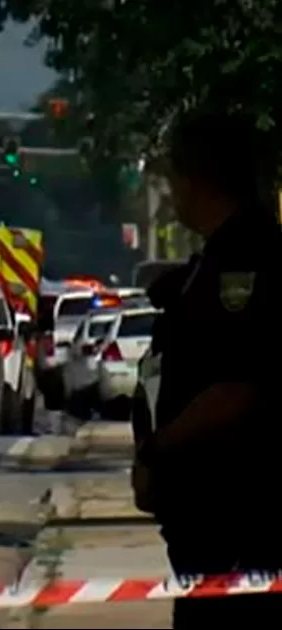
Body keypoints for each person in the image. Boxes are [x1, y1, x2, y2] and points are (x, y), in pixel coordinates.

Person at [133, 110, 282, 626]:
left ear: (200, 178)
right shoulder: (218, 259)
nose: (171, 191)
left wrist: (159, 448)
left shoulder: (246, 262)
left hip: (239, 517)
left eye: (174, 175)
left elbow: (240, 385)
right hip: (210, 527)